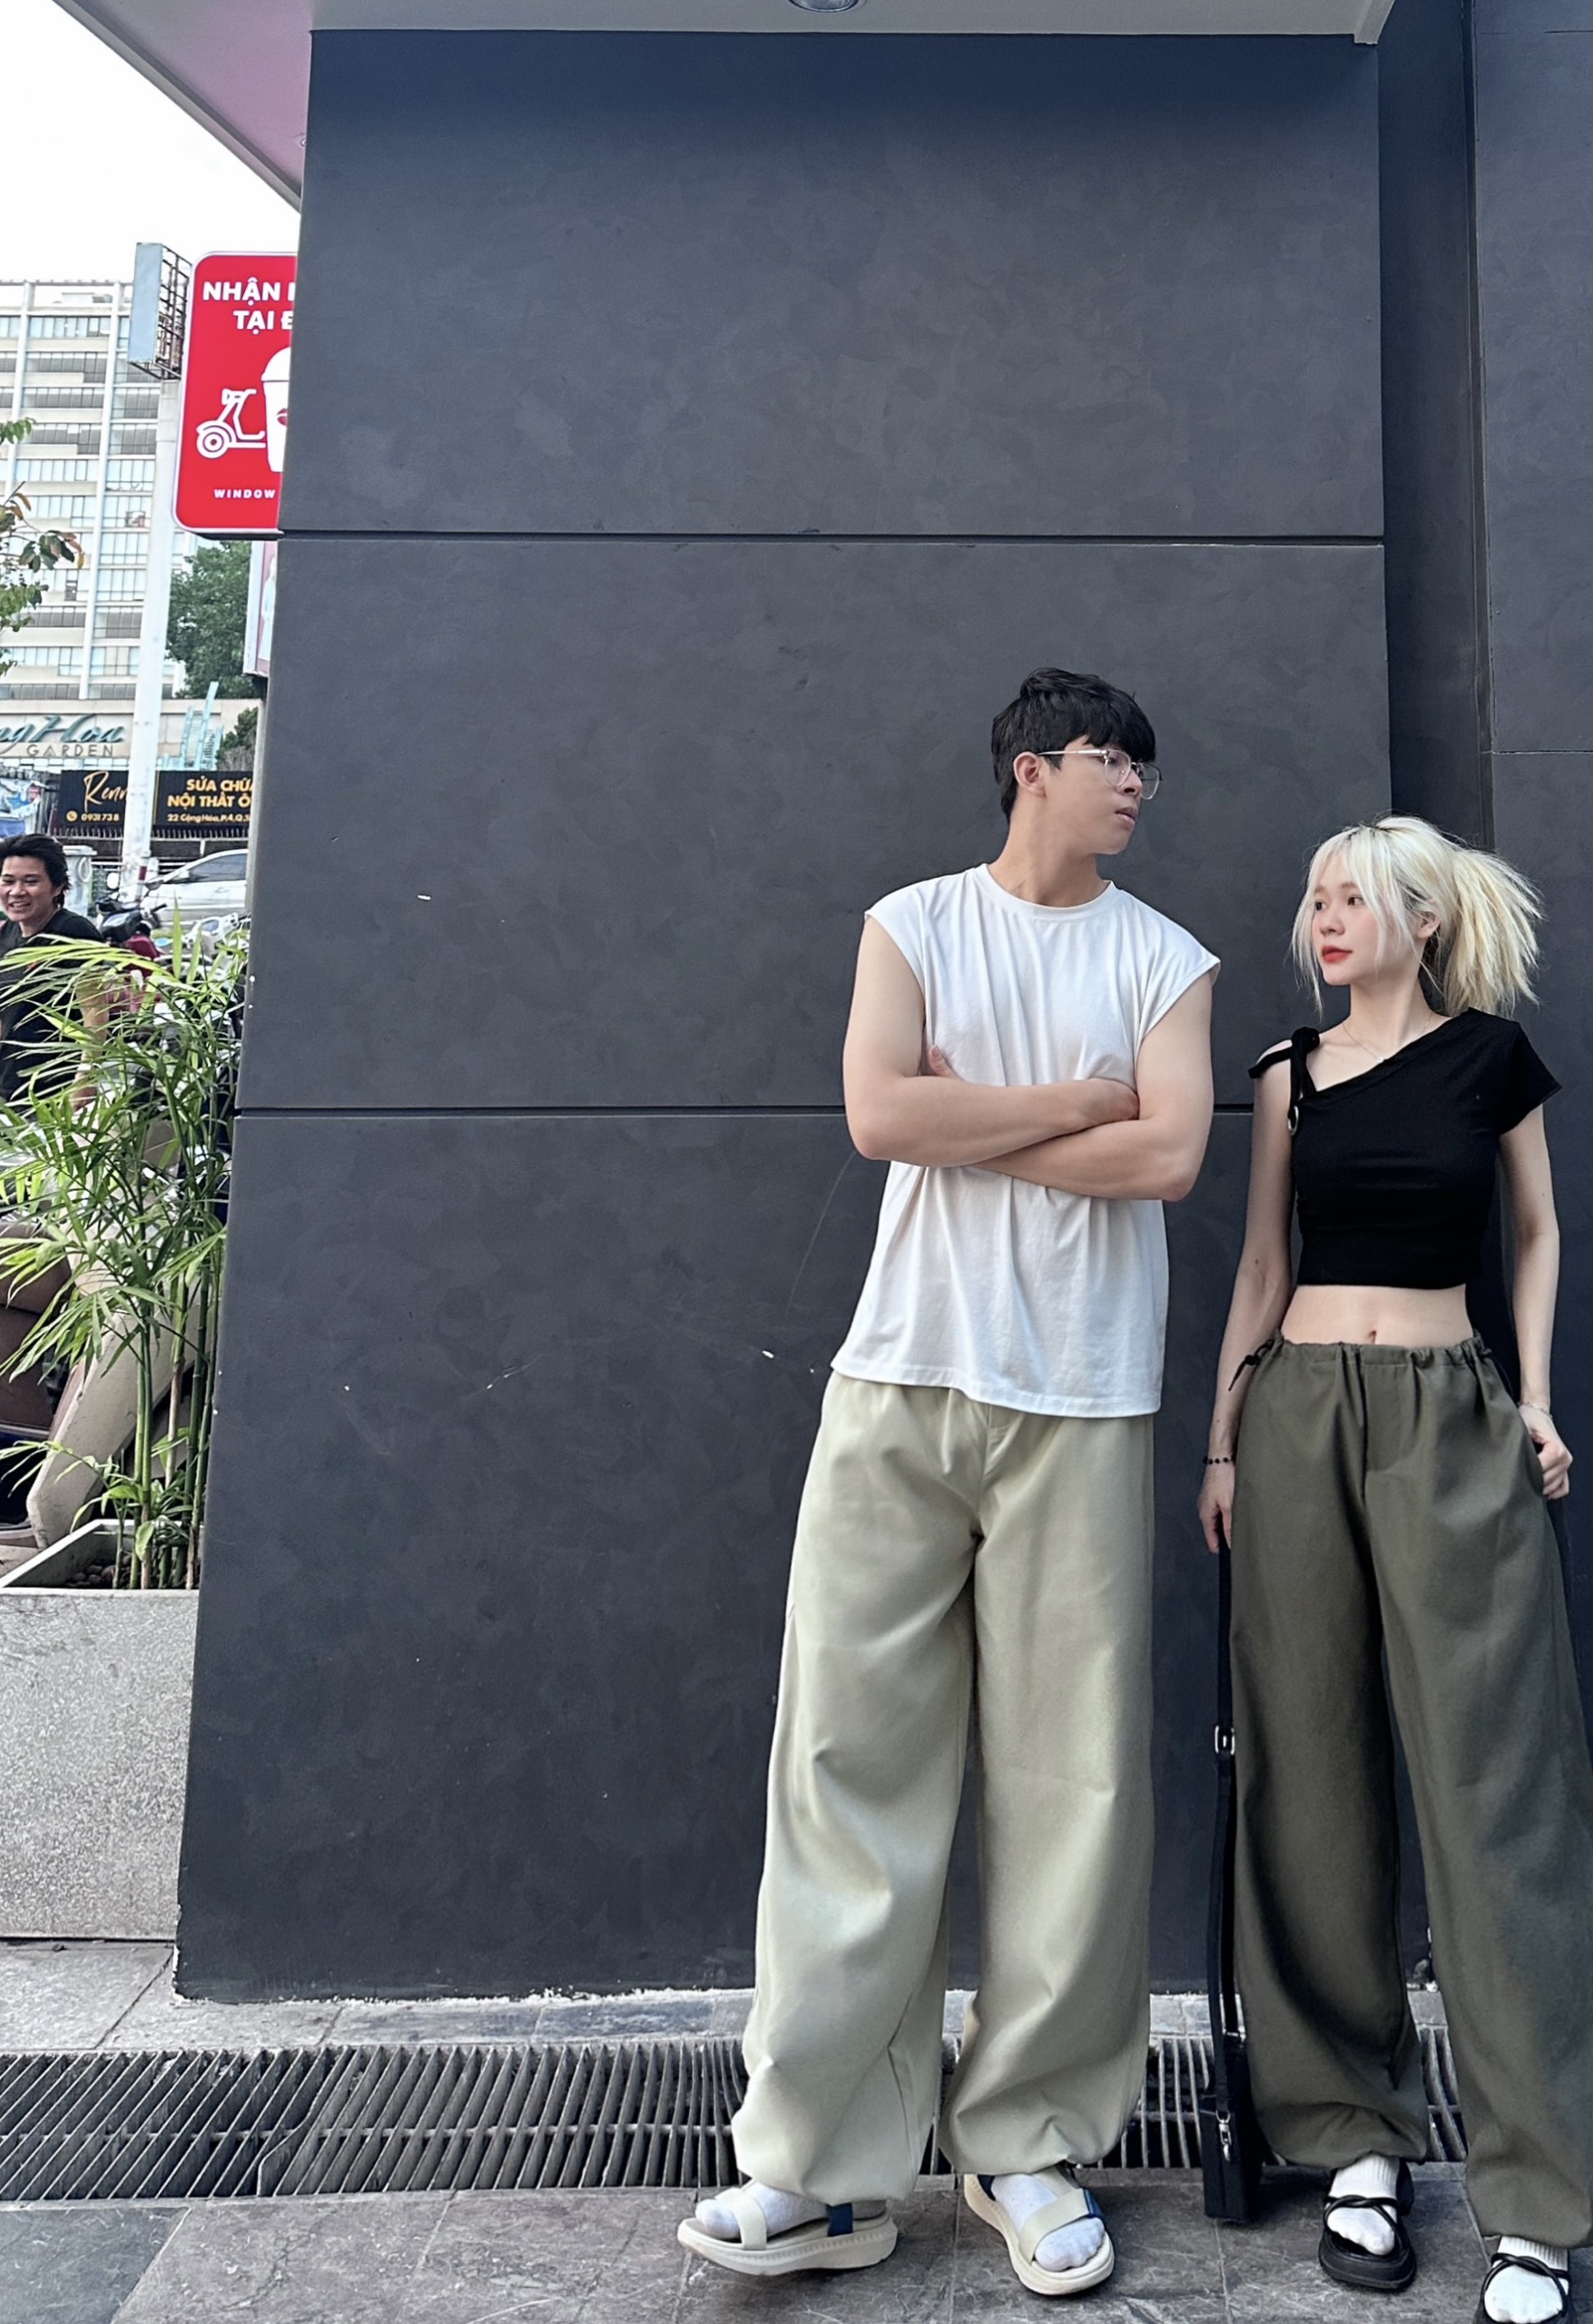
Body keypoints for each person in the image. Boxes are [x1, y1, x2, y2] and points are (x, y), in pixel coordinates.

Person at [681, 670, 1218, 2295]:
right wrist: (1067, 1104)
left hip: (1083, 1398)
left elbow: (1170, 1156)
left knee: (1074, 1785)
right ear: (1029, 770)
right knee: (844, 1762)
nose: (1135, 784)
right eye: (1110, 758)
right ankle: (818, 2169)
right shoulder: (911, 923)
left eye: (1142, 765)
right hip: (899, 1380)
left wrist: (960, 1118)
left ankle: (1026, 2146)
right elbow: (875, 1113)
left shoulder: (1165, 959)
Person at [1197, 815, 1593, 2324]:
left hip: (1452, 1413)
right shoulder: (1287, 1073)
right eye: (1313, 896)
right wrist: (1221, 1445)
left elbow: (1538, 1233)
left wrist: (1537, 1402)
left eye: (1353, 897)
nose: (1324, 918)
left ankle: (1539, 2200)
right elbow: (1262, 1265)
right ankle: (1354, 2141)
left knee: (1497, 1788)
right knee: (1310, 1772)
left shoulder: (1489, 1062)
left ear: (1421, 918)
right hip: (1299, 1415)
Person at [0, 834, 100, 1108]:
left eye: (31, 881)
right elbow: (1, 1004)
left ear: (57, 887)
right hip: (8, 1090)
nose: (16, 891)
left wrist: (85, 1080)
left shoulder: (74, 933)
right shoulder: (6, 933)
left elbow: (96, 1013)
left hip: (57, 1093)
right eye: (8, 881)